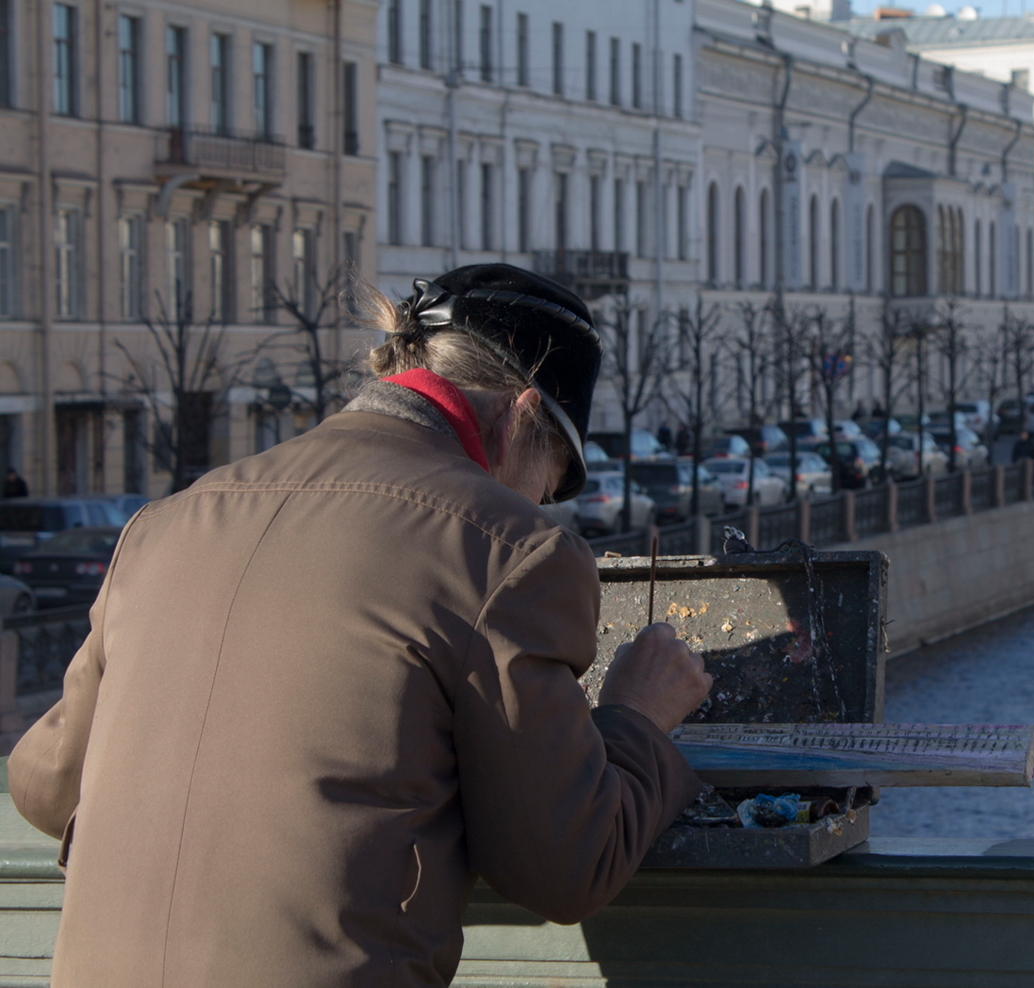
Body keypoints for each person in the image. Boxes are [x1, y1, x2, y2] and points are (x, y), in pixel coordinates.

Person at [7, 264, 713, 988]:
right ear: (523, 416)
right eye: (554, 476)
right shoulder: (508, 549)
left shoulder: (164, 524)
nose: (543, 500)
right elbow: (567, 864)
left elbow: (42, 783)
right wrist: (637, 718)